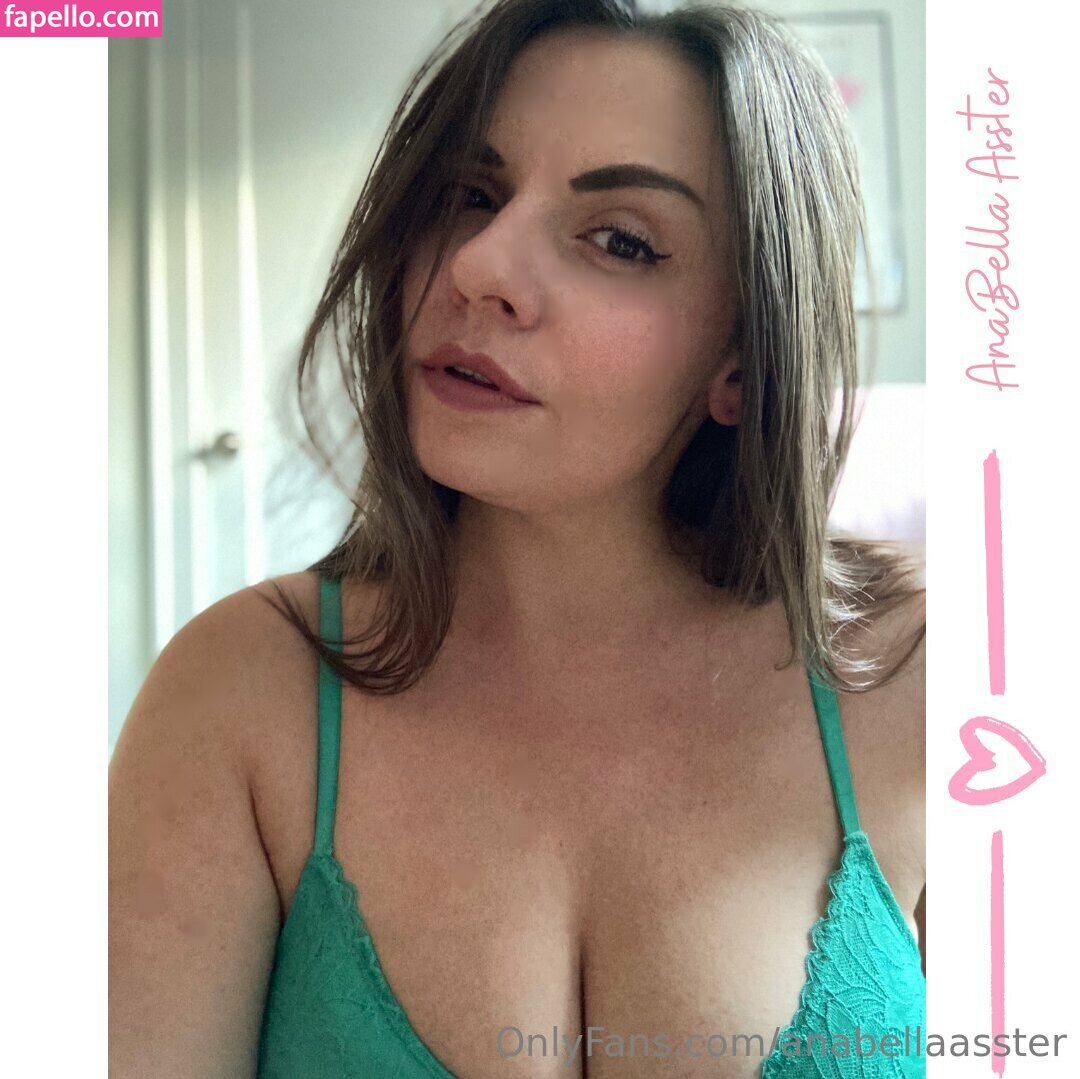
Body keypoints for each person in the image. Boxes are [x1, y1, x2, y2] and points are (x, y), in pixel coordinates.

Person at [109, 0, 927, 1076]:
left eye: (621, 240)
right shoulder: (239, 692)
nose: (480, 265)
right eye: (469, 194)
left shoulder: (923, 673)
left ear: (740, 361)